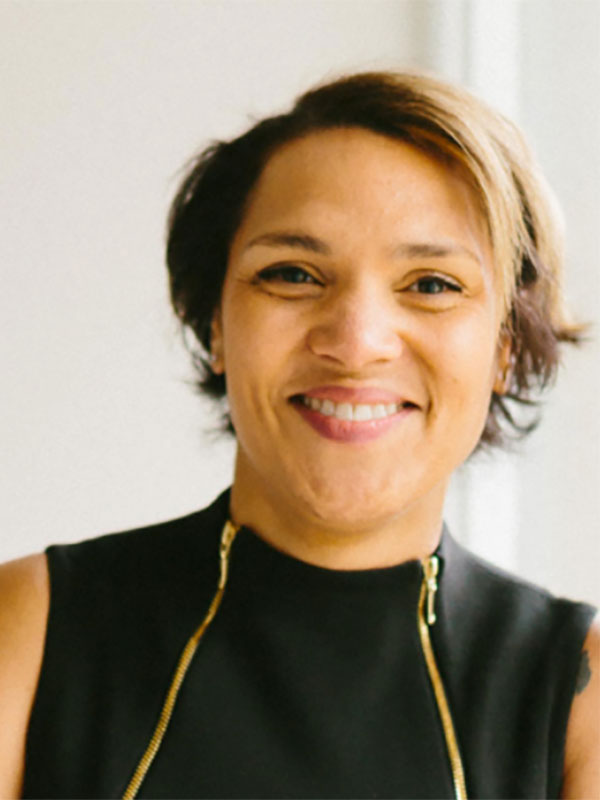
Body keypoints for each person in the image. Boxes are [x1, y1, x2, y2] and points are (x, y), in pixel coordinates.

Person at [1, 70, 598, 799]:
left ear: (506, 346)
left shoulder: (577, 700)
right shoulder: (31, 629)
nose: (356, 342)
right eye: (293, 274)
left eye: (433, 284)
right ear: (215, 324)